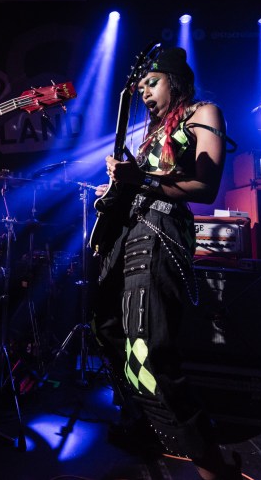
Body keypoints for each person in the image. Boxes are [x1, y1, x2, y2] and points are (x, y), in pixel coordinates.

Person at [94, 47, 242, 479]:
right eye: (140, 86)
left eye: (152, 83)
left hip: (160, 233)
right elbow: (143, 185)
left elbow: (205, 186)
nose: (144, 93)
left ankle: (212, 465)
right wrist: (117, 189)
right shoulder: (154, 132)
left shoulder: (204, 112)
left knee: (150, 352)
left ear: (175, 81)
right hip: (128, 234)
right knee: (106, 330)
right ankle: (146, 424)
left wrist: (139, 178)